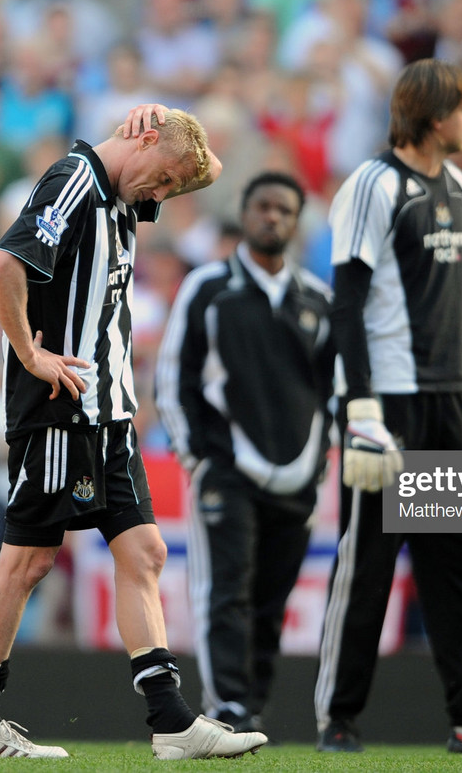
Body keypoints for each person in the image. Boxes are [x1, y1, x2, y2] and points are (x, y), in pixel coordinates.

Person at [0, 104, 267, 760]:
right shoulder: (74, 180)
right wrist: (31, 355)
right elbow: (0, 265)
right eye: (165, 180)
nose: (164, 195)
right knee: (28, 560)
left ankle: (171, 720)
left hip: (108, 414)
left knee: (144, 552)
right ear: (143, 142)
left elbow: (208, 166)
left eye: (172, 188)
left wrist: (168, 133)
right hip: (61, 407)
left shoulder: (125, 192)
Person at [314, 58, 462, 756]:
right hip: (387, 405)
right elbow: (346, 302)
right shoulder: (372, 186)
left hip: (448, 404)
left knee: (461, 568)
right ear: (434, 115)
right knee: (368, 567)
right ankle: (338, 721)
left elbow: (445, 304)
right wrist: (360, 408)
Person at [154, 171, 333, 735]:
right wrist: (196, 456)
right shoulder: (209, 288)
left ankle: (254, 704)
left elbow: (333, 391)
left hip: (298, 475)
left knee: (272, 598)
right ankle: (227, 705)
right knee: (224, 590)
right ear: (245, 212)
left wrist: (321, 458)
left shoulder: (319, 300)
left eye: (284, 208)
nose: (272, 216)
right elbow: (173, 376)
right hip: (226, 469)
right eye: (263, 206)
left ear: (297, 220)